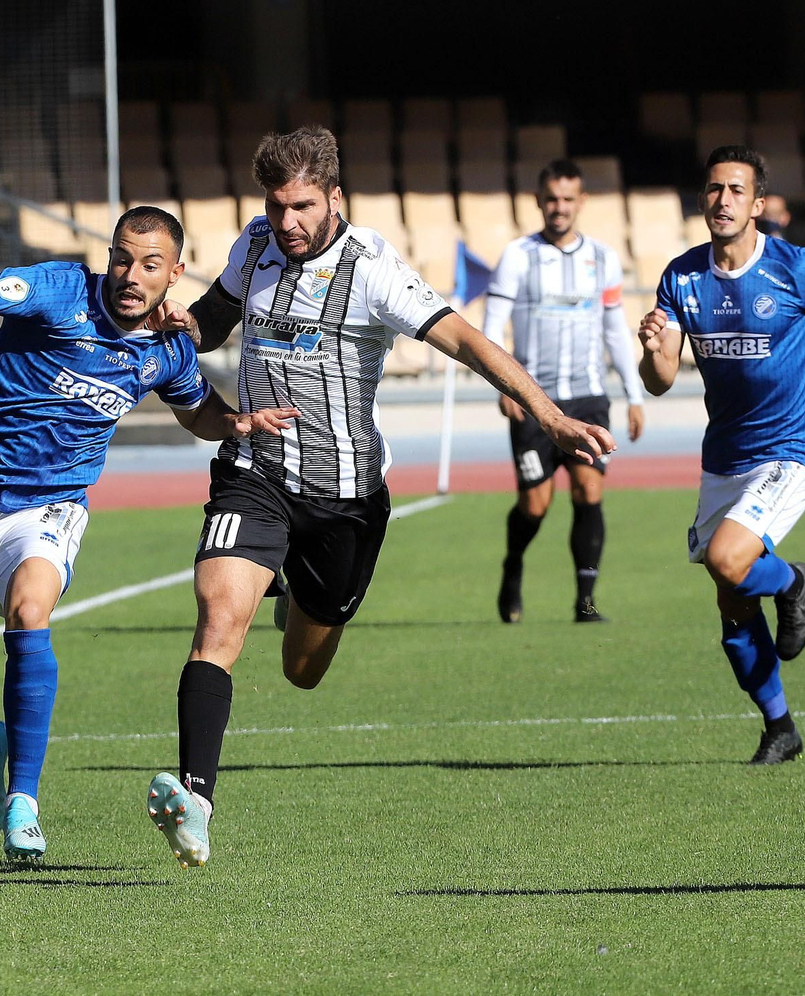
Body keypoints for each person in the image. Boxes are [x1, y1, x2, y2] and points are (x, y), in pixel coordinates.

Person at [141, 126, 616, 868]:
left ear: (334, 196)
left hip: (345, 499)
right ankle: (197, 802)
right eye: (275, 206)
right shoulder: (256, 245)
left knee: (303, 669)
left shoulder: (371, 269)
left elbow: (466, 342)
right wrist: (177, 324)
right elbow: (212, 319)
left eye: (301, 206)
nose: (286, 222)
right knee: (217, 620)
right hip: (255, 470)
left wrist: (548, 415)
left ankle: (295, 582)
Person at [0, 205, 297, 862]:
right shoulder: (60, 290)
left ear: (175, 273)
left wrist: (232, 423)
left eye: (151, 265)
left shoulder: (169, 351)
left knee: (31, 611)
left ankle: (23, 803)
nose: (131, 274)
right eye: (123, 257)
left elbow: (195, 407)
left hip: (50, 507)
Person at [639, 145, 805, 764]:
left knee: (730, 562)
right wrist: (651, 347)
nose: (722, 200)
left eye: (736, 191)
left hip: (792, 448)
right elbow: (659, 380)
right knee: (730, 601)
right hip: (726, 457)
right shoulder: (681, 276)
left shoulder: (798, 267)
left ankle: (791, 580)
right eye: (713, 190)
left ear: (758, 204)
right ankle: (780, 727)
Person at [483, 159, 647, 624]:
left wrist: (634, 394)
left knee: (587, 492)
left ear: (581, 202)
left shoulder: (604, 257)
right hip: (534, 400)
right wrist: (504, 385)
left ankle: (586, 601)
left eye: (567, 199)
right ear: (538, 201)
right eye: (551, 198)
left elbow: (615, 330)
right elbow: (493, 325)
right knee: (536, 504)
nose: (559, 208)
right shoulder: (518, 255)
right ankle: (512, 567)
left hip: (590, 397)